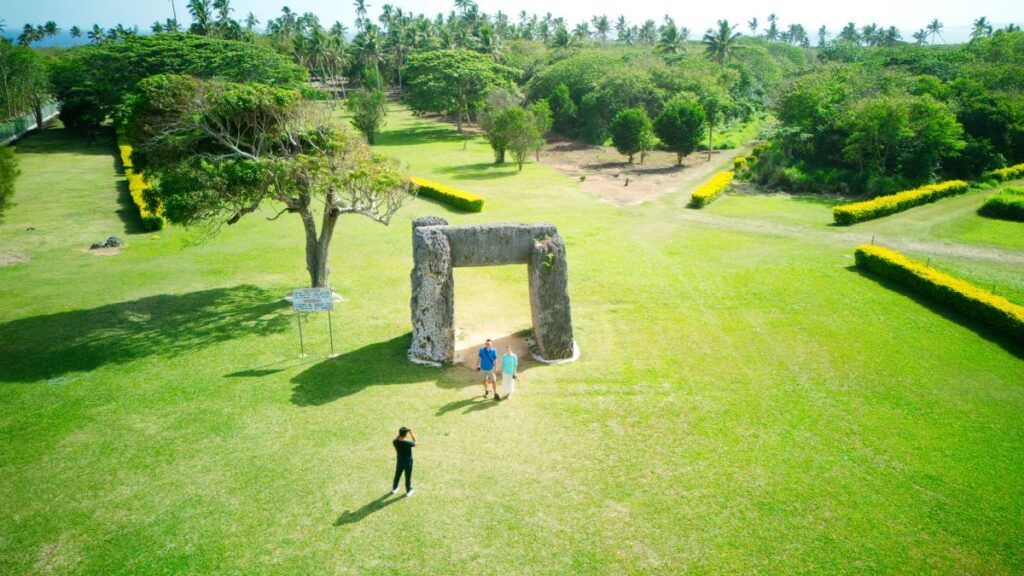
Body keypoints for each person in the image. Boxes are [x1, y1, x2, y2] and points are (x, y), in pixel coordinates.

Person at [391, 426, 416, 497]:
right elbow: (415, 442)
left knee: (397, 475)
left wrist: (401, 433)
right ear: (405, 435)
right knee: (408, 476)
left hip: (400, 461)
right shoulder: (407, 443)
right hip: (408, 462)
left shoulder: (395, 442)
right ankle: (408, 490)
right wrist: (411, 434)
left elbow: (397, 438)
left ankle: (394, 488)